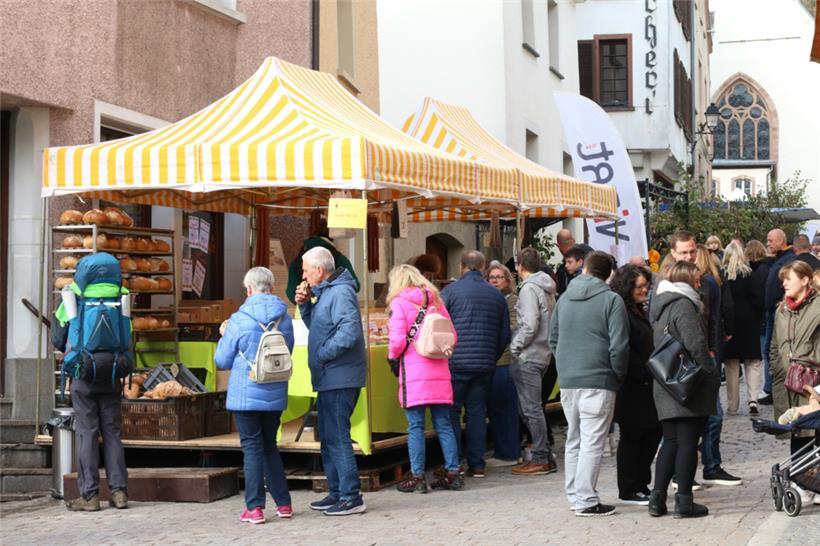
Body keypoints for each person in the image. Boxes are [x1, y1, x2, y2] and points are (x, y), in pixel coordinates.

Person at [550, 251, 629, 517]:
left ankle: (576, 496)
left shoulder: (564, 299)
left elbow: (554, 338)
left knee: (575, 439)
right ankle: (585, 499)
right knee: (592, 441)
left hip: (570, 379)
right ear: (609, 274)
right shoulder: (611, 300)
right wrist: (616, 374)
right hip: (599, 378)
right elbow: (619, 346)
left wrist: (564, 365)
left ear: (584, 268)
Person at [215, 267, 295, 523]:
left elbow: (222, 359)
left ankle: (255, 508)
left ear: (248, 289)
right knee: (270, 445)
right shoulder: (284, 317)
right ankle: (284, 504)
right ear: (270, 287)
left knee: (251, 447)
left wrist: (224, 335)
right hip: (275, 388)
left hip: (246, 392)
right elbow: (288, 349)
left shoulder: (239, 319)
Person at [52, 253, 130, 512]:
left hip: (83, 373)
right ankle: (119, 493)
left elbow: (58, 339)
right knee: (112, 433)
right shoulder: (121, 292)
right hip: (113, 371)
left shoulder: (72, 293)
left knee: (87, 432)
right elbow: (128, 331)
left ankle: (90, 496)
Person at [295, 247, 367, 516]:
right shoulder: (326, 293)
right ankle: (337, 492)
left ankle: (351, 496)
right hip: (330, 376)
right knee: (327, 436)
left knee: (337, 436)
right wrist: (304, 304)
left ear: (319, 270)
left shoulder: (340, 292)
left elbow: (349, 332)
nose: (302, 274)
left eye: (305, 269)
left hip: (339, 376)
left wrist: (323, 355)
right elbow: (317, 326)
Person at [648, 261, 720, 519]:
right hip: (686, 382)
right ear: (686, 281)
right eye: (697, 280)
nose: (700, 284)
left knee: (671, 441)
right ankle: (684, 501)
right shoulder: (683, 305)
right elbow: (696, 344)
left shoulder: (661, 305)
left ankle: (657, 500)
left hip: (665, 381)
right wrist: (710, 372)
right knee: (688, 442)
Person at [670, 232, 741, 487]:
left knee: (712, 416)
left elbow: (711, 320)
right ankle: (682, 475)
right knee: (685, 423)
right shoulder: (667, 282)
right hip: (681, 362)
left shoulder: (707, 284)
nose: (689, 257)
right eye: (684, 252)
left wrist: (713, 353)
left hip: (705, 358)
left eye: (692, 252)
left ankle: (710, 466)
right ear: (674, 253)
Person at [387, 265, 463, 493]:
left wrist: (392, 358)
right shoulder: (437, 303)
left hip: (414, 372)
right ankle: (453, 472)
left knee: (416, 426)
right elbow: (453, 337)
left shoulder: (399, 303)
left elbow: (397, 341)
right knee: (444, 424)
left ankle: (418, 476)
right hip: (439, 371)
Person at [442, 250, 511, 478]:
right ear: (482, 268)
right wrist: (491, 356)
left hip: (455, 363)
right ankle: (477, 464)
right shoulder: (496, 295)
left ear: (462, 267)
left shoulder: (450, 292)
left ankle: (454, 463)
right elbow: (504, 334)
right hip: (484, 365)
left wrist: (446, 355)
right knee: (477, 413)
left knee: (451, 413)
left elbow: (439, 329)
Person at [769, 260, 820, 505]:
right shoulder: (782, 310)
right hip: (787, 381)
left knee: (816, 432)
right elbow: (775, 344)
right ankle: (802, 484)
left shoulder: (818, 305)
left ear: (805, 279)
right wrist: (777, 368)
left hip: (812, 381)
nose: (784, 283)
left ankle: (814, 484)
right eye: (783, 280)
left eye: (789, 278)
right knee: (797, 433)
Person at [610, 265, 661, 506]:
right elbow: (623, 347)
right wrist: (642, 369)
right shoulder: (623, 312)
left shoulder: (639, 310)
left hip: (646, 381)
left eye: (646, 286)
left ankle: (642, 483)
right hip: (633, 383)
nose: (644, 291)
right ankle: (629, 488)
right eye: (639, 287)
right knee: (632, 438)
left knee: (650, 435)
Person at [509, 247, 557, 476]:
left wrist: (515, 346)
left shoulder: (529, 288)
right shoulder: (546, 286)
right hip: (543, 352)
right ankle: (544, 455)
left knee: (530, 409)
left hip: (530, 354)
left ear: (519, 266)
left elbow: (529, 324)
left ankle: (540, 457)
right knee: (532, 408)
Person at [721, 242, 764, 416]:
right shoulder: (749, 274)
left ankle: (733, 404)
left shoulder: (722, 275)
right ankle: (753, 399)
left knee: (731, 365)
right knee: (752, 362)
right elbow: (757, 299)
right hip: (749, 321)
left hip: (730, 322)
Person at [486, 261, 522, 465]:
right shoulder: (493, 300)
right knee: (496, 407)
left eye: (499, 277)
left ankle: (509, 453)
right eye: (492, 277)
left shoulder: (512, 301)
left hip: (506, 359)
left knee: (505, 407)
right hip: (493, 359)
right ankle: (503, 449)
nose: (495, 281)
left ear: (508, 280)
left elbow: (514, 328)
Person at [761, 228, 796, 405]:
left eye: (770, 240)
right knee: (770, 351)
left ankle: (778, 389)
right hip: (772, 312)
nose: (768, 243)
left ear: (781, 241)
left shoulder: (788, 260)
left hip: (779, 311)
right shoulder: (779, 259)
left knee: (775, 351)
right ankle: (774, 388)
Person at [286, 221, 359, 304]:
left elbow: (291, 292)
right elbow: (355, 285)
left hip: (302, 313)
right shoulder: (339, 258)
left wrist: (304, 303)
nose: (304, 276)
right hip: (332, 307)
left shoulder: (298, 260)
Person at [746, 239, 771, 415]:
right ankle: (762, 390)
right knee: (763, 355)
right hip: (764, 317)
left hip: (756, 319)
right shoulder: (767, 268)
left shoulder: (752, 272)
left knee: (762, 355)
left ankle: (765, 389)